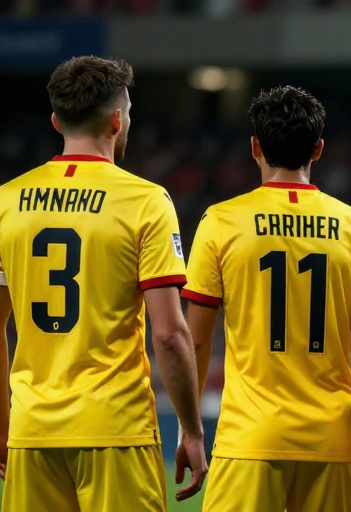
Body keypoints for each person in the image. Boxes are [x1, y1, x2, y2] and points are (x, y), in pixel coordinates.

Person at [0, 56, 206, 511]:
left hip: (32, 432)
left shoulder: (6, 201)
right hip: (116, 428)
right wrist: (192, 431)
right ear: (117, 121)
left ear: (57, 122)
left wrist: (2, 426)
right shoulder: (145, 201)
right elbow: (169, 334)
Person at [181, 86, 351, 512]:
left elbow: (196, 341)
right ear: (318, 149)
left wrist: (191, 430)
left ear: (255, 147)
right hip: (331, 440)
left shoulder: (222, 221)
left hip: (248, 438)